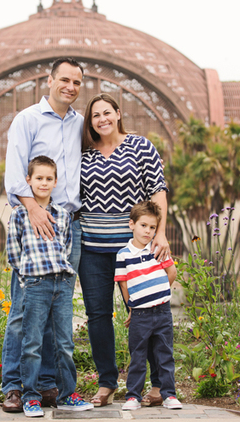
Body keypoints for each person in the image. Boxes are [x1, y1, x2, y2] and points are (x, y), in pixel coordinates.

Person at [1, 58, 84, 412]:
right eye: (63, 79)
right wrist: (35, 210)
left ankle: (47, 385)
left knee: (56, 310)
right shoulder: (28, 119)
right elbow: (14, 172)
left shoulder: (81, 123)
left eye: (76, 82)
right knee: (23, 309)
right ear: (49, 81)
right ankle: (14, 385)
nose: (70, 86)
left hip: (69, 222)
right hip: (34, 219)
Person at [78, 93, 170, 406]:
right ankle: (107, 382)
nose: (101, 119)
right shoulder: (83, 153)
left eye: (107, 113)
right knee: (98, 316)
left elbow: (157, 191)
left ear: (118, 114)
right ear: (89, 122)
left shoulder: (141, 146)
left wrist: (161, 233)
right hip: (92, 249)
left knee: (148, 312)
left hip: (136, 249)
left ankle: (158, 386)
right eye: (94, 116)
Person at [6, 156, 93, 417]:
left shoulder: (64, 216)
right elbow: (14, 253)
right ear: (29, 181)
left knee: (64, 342)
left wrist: (64, 278)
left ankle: (67, 394)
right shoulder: (20, 215)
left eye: (48, 179)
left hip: (61, 283)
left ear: (55, 182)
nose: (43, 183)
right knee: (32, 343)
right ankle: (30, 396)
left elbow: (66, 248)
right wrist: (26, 281)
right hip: (35, 284)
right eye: (39, 178)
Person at [115, 201, 181, 411]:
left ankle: (168, 394)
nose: (148, 231)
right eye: (144, 225)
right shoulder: (123, 255)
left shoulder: (158, 249)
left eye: (152, 227)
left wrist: (159, 293)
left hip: (162, 311)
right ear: (131, 224)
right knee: (138, 356)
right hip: (140, 315)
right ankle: (133, 396)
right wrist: (131, 308)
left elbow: (172, 273)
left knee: (164, 355)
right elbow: (123, 284)